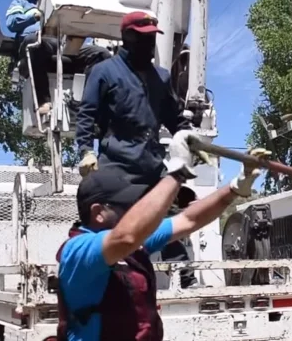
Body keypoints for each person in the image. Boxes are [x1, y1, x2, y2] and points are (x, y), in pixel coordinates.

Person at [56, 130, 269, 340]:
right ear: (98, 213)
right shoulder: (78, 251)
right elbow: (126, 236)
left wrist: (236, 186)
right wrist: (178, 173)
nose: (136, 210)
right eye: (127, 206)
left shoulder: (133, 244)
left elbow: (189, 219)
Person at [74, 11, 194, 181]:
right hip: (115, 165)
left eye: (152, 36)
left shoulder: (162, 77)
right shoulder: (104, 71)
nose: (150, 42)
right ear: (128, 36)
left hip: (152, 166)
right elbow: (87, 113)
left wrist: (193, 141)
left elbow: (174, 119)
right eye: (144, 36)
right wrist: (86, 151)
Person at [6, 0, 111, 115]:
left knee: (101, 55)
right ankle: (43, 101)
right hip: (39, 42)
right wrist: (32, 16)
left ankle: (82, 100)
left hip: (63, 45)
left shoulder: (62, 2)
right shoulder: (22, 3)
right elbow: (11, 23)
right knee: (34, 43)